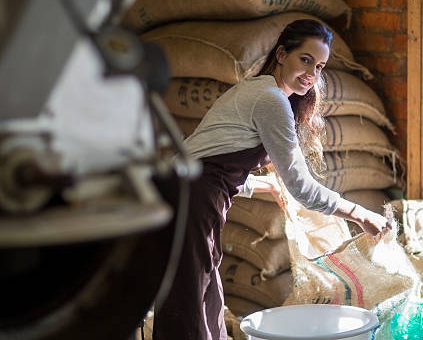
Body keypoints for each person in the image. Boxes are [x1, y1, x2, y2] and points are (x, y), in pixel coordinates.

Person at [152, 19, 391, 340]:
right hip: (189, 200)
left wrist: (257, 185)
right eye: (305, 60)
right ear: (281, 54)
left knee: (204, 294)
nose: (312, 73)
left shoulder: (252, 90)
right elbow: (302, 188)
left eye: (319, 66)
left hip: (182, 191)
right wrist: (359, 213)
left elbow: (206, 159)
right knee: (189, 302)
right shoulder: (270, 100)